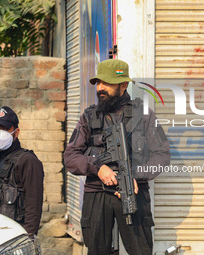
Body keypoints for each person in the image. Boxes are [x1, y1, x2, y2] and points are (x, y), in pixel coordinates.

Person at [64, 59, 170, 255]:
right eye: (98, 82)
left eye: (107, 83)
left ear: (123, 85)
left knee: (140, 251)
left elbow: (162, 155)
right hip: (97, 193)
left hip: (133, 192)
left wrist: (135, 176)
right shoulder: (89, 117)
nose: (100, 88)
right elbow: (70, 156)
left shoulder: (144, 115)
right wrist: (97, 167)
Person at [0, 106, 44, 237]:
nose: (0, 133)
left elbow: (33, 207)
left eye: (5, 129)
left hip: (14, 235)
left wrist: (27, 239)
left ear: (16, 132)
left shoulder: (28, 161)